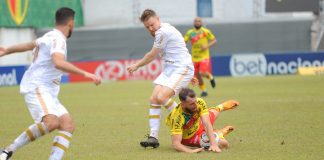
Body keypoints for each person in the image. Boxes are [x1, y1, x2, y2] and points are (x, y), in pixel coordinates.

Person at [0, 7, 101, 160]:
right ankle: (7, 152)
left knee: (67, 125)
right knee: (51, 122)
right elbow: (58, 62)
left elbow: (29, 45)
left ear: (56, 21)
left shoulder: (49, 35)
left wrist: (7, 50)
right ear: (71, 24)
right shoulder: (58, 39)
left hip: (48, 91)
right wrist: (86, 73)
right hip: (38, 87)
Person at [127, 9, 195, 148]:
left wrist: (137, 65)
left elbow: (151, 55)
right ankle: (153, 137)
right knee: (154, 98)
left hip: (181, 68)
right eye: (147, 27)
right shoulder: (163, 28)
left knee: (162, 97)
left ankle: (187, 121)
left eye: (152, 24)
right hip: (170, 69)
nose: (151, 29)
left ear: (158, 19)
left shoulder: (162, 32)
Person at [166, 88, 239, 153]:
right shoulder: (177, 117)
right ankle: (219, 133)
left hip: (199, 124)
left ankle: (221, 107)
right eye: (191, 104)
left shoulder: (199, 102)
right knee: (224, 144)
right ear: (183, 103)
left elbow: (207, 124)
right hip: (190, 138)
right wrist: (191, 151)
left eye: (195, 101)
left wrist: (213, 144)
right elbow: (176, 144)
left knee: (213, 112)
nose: (195, 105)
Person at [184, 17, 217, 97]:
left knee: (201, 73)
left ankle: (210, 77)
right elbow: (184, 41)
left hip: (204, 56)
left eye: (199, 21)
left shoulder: (205, 31)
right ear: (194, 23)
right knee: (197, 75)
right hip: (195, 57)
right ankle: (204, 91)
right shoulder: (190, 33)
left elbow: (214, 40)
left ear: (201, 23)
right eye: (196, 21)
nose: (197, 22)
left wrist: (206, 46)